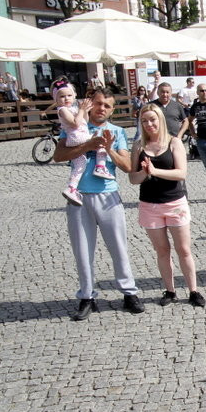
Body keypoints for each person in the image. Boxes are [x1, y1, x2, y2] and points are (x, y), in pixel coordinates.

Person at [52, 87, 145, 320]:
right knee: (82, 250)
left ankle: (129, 292)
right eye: (98, 103)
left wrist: (109, 148)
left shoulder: (117, 131)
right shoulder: (74, 125)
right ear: (90, 103)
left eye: (107, 105)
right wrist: (88, 146)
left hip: (108, 195)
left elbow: (127, 166)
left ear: (112, 110)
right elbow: (58, 156)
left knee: (118, 247)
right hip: (78, 197)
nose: (101, 108)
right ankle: (86, 296)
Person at [129, 104, 205, 308]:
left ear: (160, 120)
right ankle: (170, 291)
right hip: (150, 205)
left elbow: (181, 173)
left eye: (152, 119)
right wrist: (144, 173)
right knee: (162, 251)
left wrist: (155, 171)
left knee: (184, 249)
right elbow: (133, 179)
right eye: (144, 121)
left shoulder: (174, 142)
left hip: (175, 203)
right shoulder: (138, 146)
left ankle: (193, 290)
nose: (149, 124)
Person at [54, 81, 113, 205]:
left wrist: (85, 111)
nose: (66, 98)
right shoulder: (62, 110)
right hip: (76, 137)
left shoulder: (73, 108)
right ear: (56, 99)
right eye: (62, 96)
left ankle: (71, 188)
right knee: (100, 142)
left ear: (74, 96)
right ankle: (100, 167)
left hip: (77, 137)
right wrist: (81, 110)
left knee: (80, 165)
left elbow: (84, 121)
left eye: (69, 95)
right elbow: (75, 123)